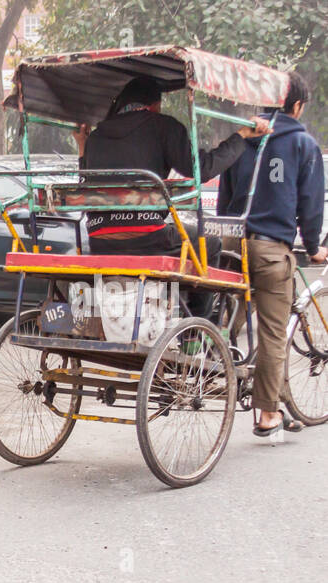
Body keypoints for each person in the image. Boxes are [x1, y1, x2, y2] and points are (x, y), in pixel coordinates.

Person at [218, 71, 327, 438]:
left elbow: (223, 199)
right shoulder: (303, 144)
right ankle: (267, 415)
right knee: (273, 334)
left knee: (226, 320)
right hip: (269, 249)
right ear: (296, 105)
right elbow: (310, 206)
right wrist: (313, 248)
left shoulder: (243, 135)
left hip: (230, 243)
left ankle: (207, 365)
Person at [74, 77, 269, 254]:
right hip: (149, 236)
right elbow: (202, 169)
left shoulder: (95, 137)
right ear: (155, 104)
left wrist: (82, 145)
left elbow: (85, 182)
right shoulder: (163, 126)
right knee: (211, 244)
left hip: (99, 238)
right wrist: (240, 137)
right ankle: (196, 295)